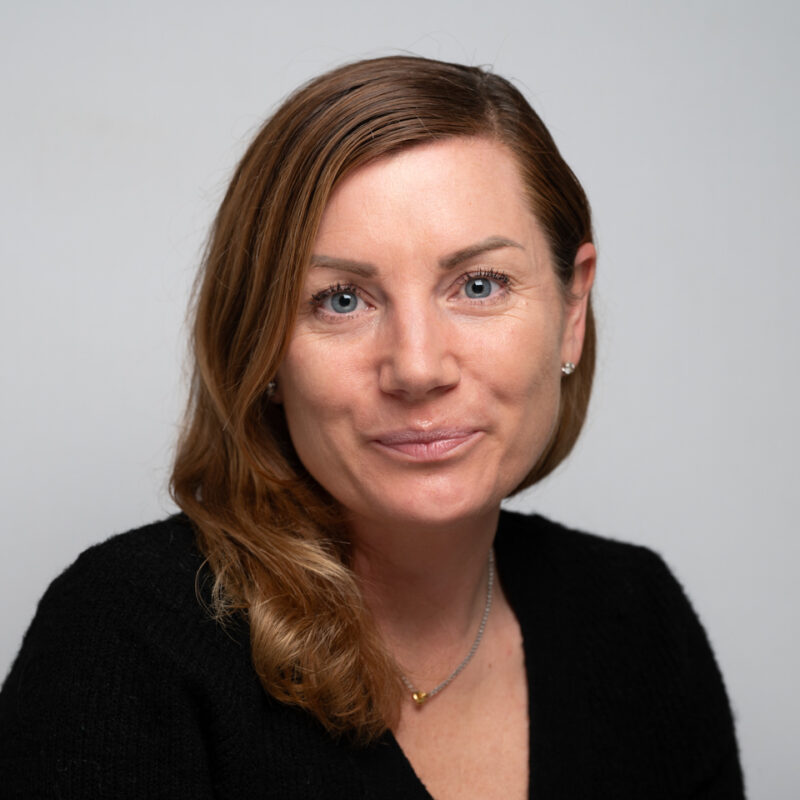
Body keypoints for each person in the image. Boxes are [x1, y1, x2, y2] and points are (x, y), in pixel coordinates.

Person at [0, 56, 744, 799]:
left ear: (571, 314)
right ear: (261, 348)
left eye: (479, 285)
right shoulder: (122, 639)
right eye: (341, 300)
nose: (418, 368)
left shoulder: (637, 618)